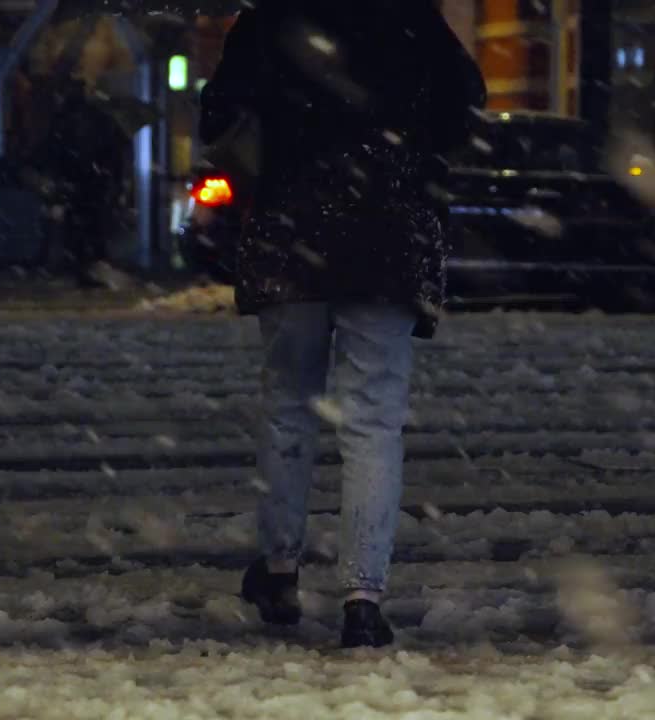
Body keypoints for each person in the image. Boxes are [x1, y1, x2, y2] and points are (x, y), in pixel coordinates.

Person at [200, 0, 486, 647]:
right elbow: (461, 109)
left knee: (289, 402)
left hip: (293, 225)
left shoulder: (272, 19)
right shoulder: (413, 19)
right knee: (373, 417)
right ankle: (363, 596)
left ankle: (278, 567)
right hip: (386, 235)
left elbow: (221, 114)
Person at [44, 81, 125, 287]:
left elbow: (56, 151)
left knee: (76, 228)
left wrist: (60, 179)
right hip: (95, 185)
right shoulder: (101, 121)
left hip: (76, 184)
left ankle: (80, 266)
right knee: (94, 227)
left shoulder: (64, 121)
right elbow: (113, 154)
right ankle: (93, 265)